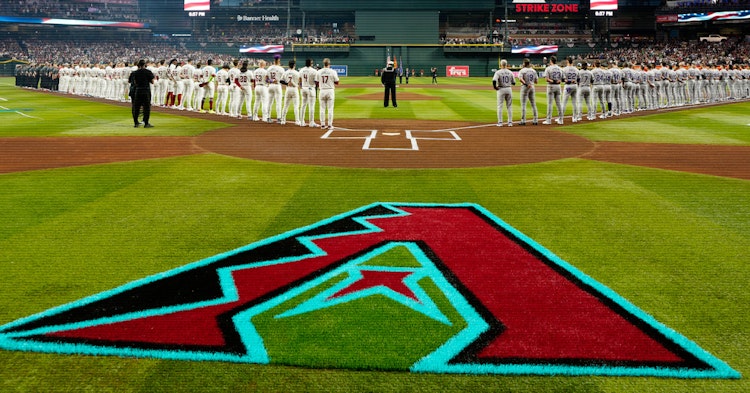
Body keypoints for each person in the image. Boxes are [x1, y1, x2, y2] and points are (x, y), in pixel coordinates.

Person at [129, 59, 154, 128]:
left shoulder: (135, 73)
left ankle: (136, 123)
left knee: (136, 107)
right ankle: (146, 123)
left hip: (138, 91)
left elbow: (134, 82)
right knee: (146, 107)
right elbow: (152, 81)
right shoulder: (148, 72)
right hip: (146, 90)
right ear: (144, 65)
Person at [316, 58, 339, 130]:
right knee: (330, 109)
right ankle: (329, 125)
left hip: (322, 90)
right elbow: (337, 82)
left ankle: (322, 125)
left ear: (323, 64)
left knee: (322, 108)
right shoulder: (333, 71)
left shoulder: (319, 72)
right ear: (329, 64)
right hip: (330, 91)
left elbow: (316, 82)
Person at [492, 59, 515, 127]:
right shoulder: (510, 72)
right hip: (508, 89)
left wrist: (495, 87)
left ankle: (500, 122)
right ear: (506, 64)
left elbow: (494, 80)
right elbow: (514, 83)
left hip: (501, 89)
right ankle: (510, 122)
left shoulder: (498, 72)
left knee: (500, 106)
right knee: (509, 106)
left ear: (501, 64)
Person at [517, 58, 539, 126]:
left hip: (525, 87)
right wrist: (530, 83)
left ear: (524, 63)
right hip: (532, 86)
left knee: (523, 104)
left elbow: (520, 79)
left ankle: (523, 121)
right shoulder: (533, 70)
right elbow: (536, 81)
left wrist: (526, 84)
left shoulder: (522, 70)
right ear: (529, 63)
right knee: (533, 104)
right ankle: (535, 120)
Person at [543, 55, 564, 125]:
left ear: (551, 61)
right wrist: (557, 81)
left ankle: (548, 120)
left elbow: (546, 79)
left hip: (551, 86)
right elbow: (562, 79)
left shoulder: (548, 68)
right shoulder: (560, 68)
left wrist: (553, 81)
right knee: (559, 103)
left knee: (550, 104)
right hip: (558, 86)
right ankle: (561, 120)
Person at [299, 58, 318, 127]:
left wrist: (301, 86)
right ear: (310, 63)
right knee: (311, 106)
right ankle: (311, 122)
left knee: (303, 105)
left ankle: (301, 122)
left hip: (303, 88)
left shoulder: (301, 70)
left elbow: (300, 79)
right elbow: (316, 81)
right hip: (311, 88)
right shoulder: (313, 71)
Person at [267, 54, 286, 122]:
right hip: (277, 86)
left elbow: (266, 79)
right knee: (278, 102)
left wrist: (271, 80)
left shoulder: (269, 68)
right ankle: (278, 118)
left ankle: (268, 117)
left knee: (269, 102)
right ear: (278, 60)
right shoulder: (281, 69)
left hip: (270, 85)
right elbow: (284, 80)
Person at [562, 56, 580, 123]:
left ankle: (561, 118)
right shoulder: (576, 69)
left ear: (567, 61)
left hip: (568, 87)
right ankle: (575, 118)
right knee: (574, 102)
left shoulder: (564, 69)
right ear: (572, 61)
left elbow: (562, 79)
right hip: (575, 86)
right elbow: (578, 79)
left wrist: (569, 81)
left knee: (564, 102)